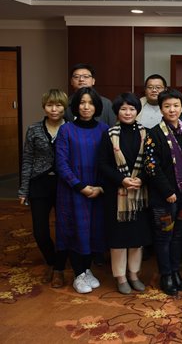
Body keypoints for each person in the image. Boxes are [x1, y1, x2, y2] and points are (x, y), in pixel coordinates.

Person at [143, 89, 182, 296]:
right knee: (164, 236)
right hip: (165, 196)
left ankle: (175, 271)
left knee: (178, 235)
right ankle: (165, 274)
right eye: (167, 106)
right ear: (161, 109)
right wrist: (167, 191)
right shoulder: (154, 133)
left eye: (175, 106)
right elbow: (151, 167)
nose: (172, 110)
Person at [55, 87, 110, 294]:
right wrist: (80, 186)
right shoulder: (66, 130)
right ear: (76, 106)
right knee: (76, 229)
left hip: (97, 189)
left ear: (97, 106)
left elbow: (109, 161)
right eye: (82, 103)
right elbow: (61, 163)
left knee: (94, 230)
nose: (86, 107)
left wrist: (100, 187)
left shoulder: (104, 129)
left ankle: (87, 269)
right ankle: (78, 273)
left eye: (90, 103)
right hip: (73, 190)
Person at [98, 93, 152, 294]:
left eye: (131, 109)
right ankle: (120, 277)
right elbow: (102, 164)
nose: (128, 112)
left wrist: (141, 179)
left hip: (139, 193)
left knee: (137, 238)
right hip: (116, 193)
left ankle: (134, 275)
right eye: (123, 109)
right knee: (119, 239)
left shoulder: (146, 133)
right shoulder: (109, 134)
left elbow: (151, 162)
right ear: (117, 112)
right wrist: (122, 180)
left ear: (137, 111)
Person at [19, 89, 69, 287]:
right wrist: (23, 189)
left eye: (58, 105)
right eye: (50, 105)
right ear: (44, 107)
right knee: (40, 231)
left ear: (64, 107)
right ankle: (52, 261)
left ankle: (58, 269)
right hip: (39, 183)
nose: (54, 109)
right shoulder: (33, 129)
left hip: (64, 183)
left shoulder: (71, 128)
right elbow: (27, 159)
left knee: (64, 228)